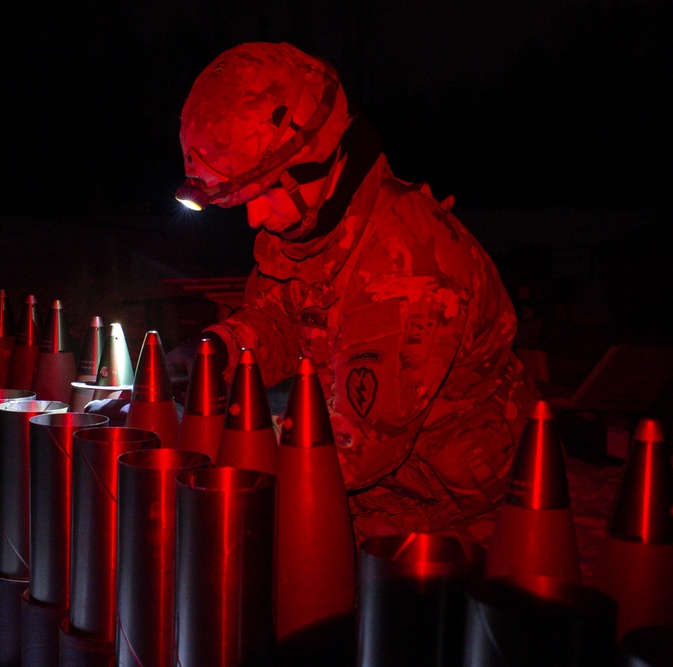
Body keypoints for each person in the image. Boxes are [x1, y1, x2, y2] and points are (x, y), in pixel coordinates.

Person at [170, 41, 540, 546]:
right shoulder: (310, 231)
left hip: (460, 529)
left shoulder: (407, 263)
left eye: (264, 193)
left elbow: (355, 445)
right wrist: (220, 350)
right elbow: (283, 322)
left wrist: (226, 454)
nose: (254, 219)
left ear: (317, 161)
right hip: (369, 503)